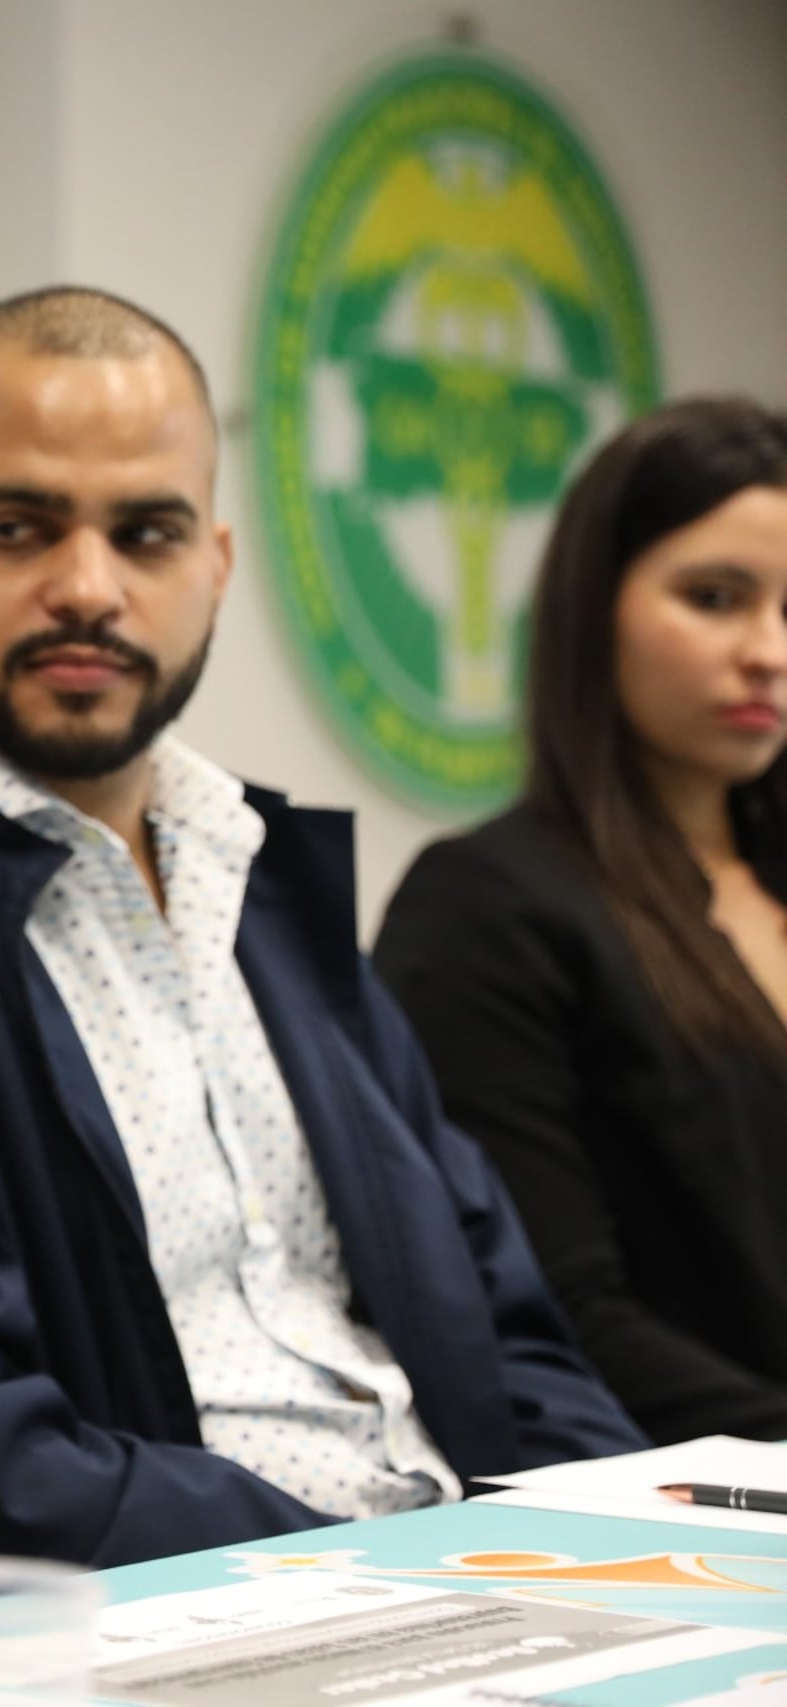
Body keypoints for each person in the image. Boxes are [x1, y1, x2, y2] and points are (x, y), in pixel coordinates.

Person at [0, 285, 644, 1571]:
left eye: (146, 534)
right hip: (184, 1639)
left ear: (216, 568)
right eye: (19, 529)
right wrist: (399, 1579)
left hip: (475, 1595)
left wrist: (621, 1552)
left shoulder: (265, 882)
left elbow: (509, 1334)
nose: (88, 589)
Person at [376, 397, 787, 1446]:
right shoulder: (487, 907)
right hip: (674, 1511)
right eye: (714, 597)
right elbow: (558, 1315)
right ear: (591, 607)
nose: (766, 652)